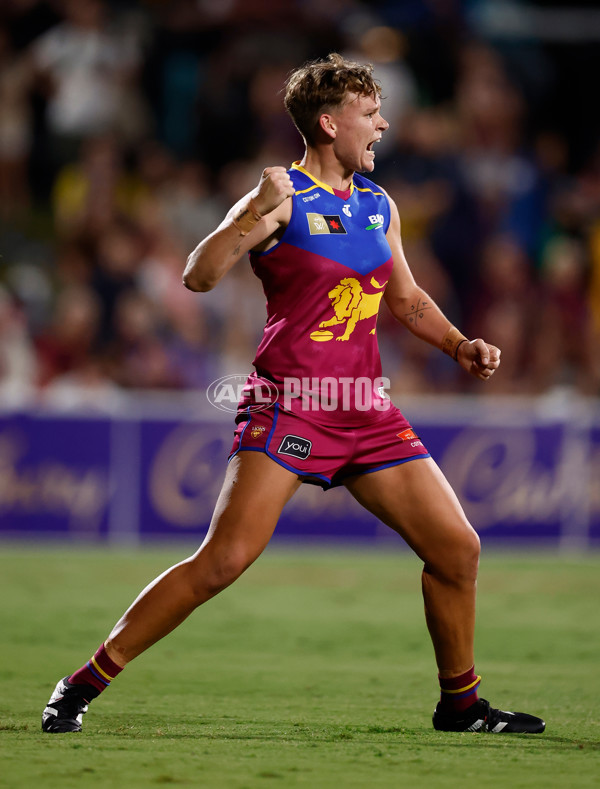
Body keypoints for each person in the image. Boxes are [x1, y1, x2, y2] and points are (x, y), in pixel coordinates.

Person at [42, 53, 545, 735]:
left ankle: (461, 704)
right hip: (290, 403)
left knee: (458, 548)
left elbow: (406, 298)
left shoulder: (376, 203)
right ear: (330, 122)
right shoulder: (281, 199)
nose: (383, 124)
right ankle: (80, 683)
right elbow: (198, 275)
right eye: (371, 114)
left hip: (364, 408)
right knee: (222, 562)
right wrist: (249, 208)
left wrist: (460, 345)